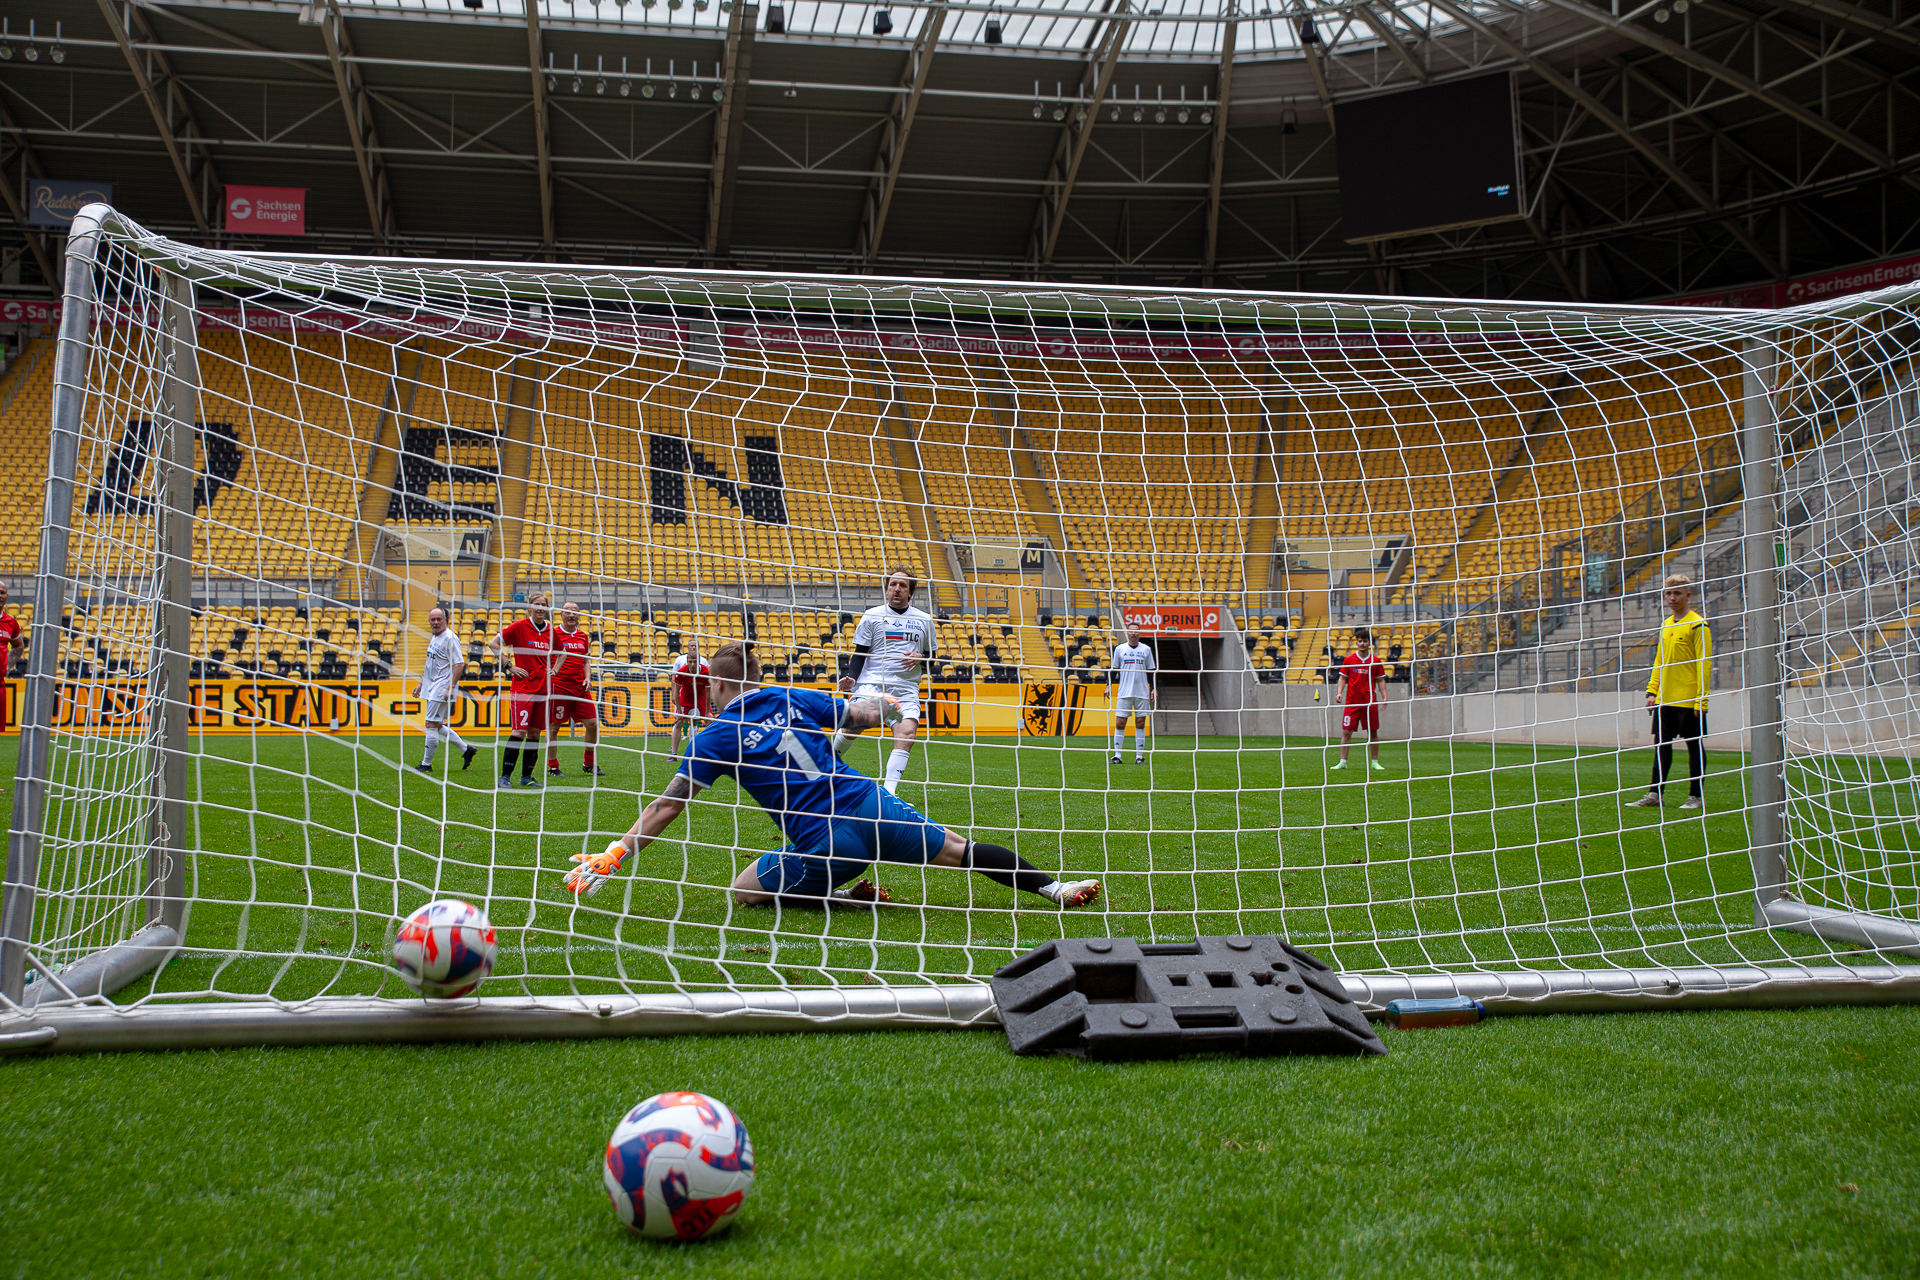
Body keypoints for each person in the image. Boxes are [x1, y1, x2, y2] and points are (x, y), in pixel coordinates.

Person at [565, 642, 1101, 910]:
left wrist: (615, 852)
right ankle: (1057, 888)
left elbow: (667, 806)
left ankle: (841, 895)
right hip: (872, 807)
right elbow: (860, 716)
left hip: (827, 845)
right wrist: (890, 706)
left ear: (717, 686)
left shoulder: (714, 737)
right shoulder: (791, 695)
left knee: (743, 892)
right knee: (963, 850)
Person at [830, 567, 935, 795]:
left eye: (902, 585)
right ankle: (827, 765)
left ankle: (889, 793)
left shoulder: (924, 620)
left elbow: (932, 659)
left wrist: (922, 657)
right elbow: (860, 653)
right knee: (852, 727)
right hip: (873, 684)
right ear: (887, 589)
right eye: (892, 585)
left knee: (907, 734)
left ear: (910, 592)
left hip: (905, 689)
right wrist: (852, 678)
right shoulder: (872, 615)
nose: (897, 589)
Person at [1632, 573, 1711, 811]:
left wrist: (1701, 700)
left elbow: (1704, 663)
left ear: (1688, 595)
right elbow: (1660, 660)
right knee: (1661, 745)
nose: (1672, 598)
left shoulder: (1698, 624)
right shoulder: (1666, 624)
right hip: (1665, 698)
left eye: (1677, 593)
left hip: (1688, 698)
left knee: (1694, 747)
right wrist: (1652, 691)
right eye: (1668, 593)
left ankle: (1695, 796)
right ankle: (1655, 793)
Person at [488, 592, 555, 789]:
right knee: (519, 732)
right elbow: (493, 644)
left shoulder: (551, 631)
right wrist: (509, 666)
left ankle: (527, 777)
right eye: (537, 604)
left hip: (543, 690)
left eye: (544, 605)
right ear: (530, 608)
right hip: (523, 688)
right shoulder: (519, 627)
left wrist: (555, 669)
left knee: (534, 734)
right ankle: (504, 777)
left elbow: (562, 653)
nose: (541, 608)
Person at [414, 606, 478, 776]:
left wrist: (450, 687)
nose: (435, 622)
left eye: (439, 619)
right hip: (433, 685)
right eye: (433, 619)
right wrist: (421, 684)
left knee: (430, 724)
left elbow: (459, 663)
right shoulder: (435, 637)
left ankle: (426, 764)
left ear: (445, 620)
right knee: (437, 724)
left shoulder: (450, 638)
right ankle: (466, 749)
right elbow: (431, 665)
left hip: (442, 687)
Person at [546, 601, 604, 779]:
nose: (571, 615)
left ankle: (589, 763)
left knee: (593, 724)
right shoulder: (552, 634)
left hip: (580, 687)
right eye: (567, 612)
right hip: (558, 686)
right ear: (561, 615)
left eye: (574, 612)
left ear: (579, 615)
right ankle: (553, 766)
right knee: (554, 727)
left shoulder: (582, 636)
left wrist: (587, 678)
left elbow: (586, 661)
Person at [1333, 626, 1386, 773]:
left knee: (1373, 732)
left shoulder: (1375, 660)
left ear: (1369, 643)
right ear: (1356, 643)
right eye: (1360, 641)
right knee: (1346, 732)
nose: (1362, 643)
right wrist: (1339, 693)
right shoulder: (1349, 659)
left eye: (1365, 641)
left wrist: (1384, 697)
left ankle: (1375, 762)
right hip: (1352, 702)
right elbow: (1343, 678)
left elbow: (1380, 680)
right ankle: (1342, 762)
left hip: (1370, 702)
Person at [1108, 624, 1156, 764]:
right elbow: (1114, 669)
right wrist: (1108, 685)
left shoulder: (1146, 649)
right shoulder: (1120, 649)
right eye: (1131, 631)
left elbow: (1151, 671)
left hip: (1142, 692)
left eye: (1136, 631)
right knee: (1120, 722)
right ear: (1127, 633)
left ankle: (1139, 756)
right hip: (1124, 692)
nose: (1133, 634)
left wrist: (1154, 688)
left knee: (1140, 723)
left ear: (1139, 634)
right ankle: (1117, 756)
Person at [668, 638, 712, 759]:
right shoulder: (682, 671)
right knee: (678, 722)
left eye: (694, 662)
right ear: (687, 661)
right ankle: (673, 754)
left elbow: (708, 692)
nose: (692, 665)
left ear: (699, 662)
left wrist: (707, 712)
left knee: (709, 721)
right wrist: (679, 711)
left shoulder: (706, 671)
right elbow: (677, 690)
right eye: (690, 662)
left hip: (701, 697)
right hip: (686, 698)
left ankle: (709, 752)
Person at [0, 582, 27, 675]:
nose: (0, 596)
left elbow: (19, 646)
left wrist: (8, 666)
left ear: (7, 596)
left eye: (2, 593)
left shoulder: (11, 622)